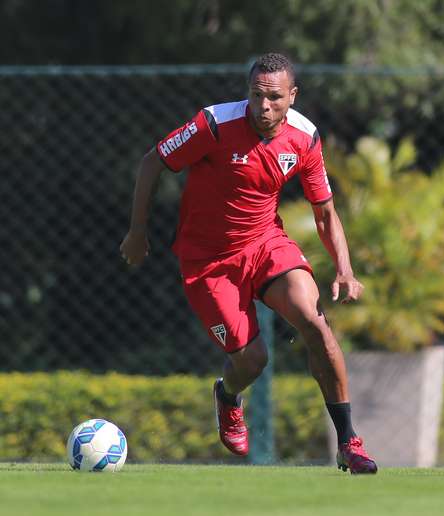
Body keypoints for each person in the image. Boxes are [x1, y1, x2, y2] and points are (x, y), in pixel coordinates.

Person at [120, 53, 377, 474]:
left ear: (292, 96)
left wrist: (345, 269)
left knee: (315, 322)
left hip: (265, 243)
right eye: (257, 95)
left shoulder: (305, 138)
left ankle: (349, 441)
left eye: (274, 97)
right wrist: (137, 231)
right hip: (208, 262)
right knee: (253, 361)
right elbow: (153, 162)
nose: (264, 106)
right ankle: (227, 395)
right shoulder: (214, 125)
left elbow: (326, 212)